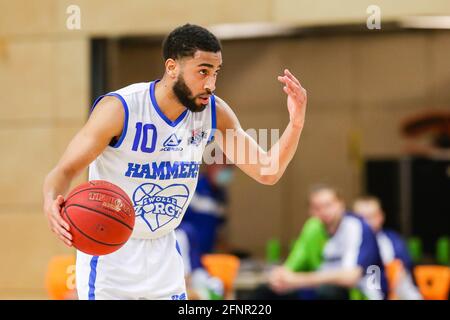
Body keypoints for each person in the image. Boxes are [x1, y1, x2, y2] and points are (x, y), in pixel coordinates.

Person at [43, 23, 308, 300]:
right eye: (203, 71)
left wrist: (296, 123)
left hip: (165, 252)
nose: (211, 84)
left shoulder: (213, 112)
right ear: (172, 67)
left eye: (216, 73)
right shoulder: (121, 109)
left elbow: (268, 171)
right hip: (111, 251)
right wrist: (51, 201)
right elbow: (64, 170)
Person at [268, 185, 388, 300]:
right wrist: (280, 276)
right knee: (267, 292)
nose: (324, 211)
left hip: (362, 293)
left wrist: (298, 280)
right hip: (323, 286)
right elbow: (294, 262)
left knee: (327, 291)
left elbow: (350, 277)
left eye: (328, 205)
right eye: (317, 207)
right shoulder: (314, 228)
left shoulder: (356, 227)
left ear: (341, 203)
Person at [353, 196, 422, 300]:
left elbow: (405, 264)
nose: (367, 222)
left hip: (396, 285)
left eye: (371, 216)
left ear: (381, 216)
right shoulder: (352, 241)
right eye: (362, 218)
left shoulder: (392, 238)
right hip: (365, 284)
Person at [181, 161, 234, 256]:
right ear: (211, 165)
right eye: (224, 166)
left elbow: (220, 229)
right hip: (186, 254)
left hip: (207, 254)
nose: (227, 171)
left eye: (230, 168)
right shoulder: (192, 186)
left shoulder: (221, 195)